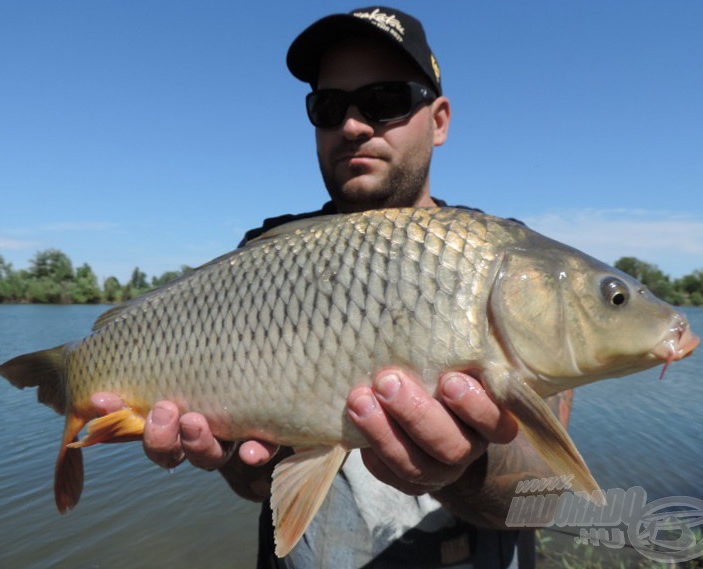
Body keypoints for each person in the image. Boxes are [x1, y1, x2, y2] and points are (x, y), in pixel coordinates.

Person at [92, 6, 573, 568]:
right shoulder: (260, 258)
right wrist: (230, 455)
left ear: (439, 120)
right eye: (328, 107)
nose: (352, 125)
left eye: (386, 101)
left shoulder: (499, 259)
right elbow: (253, 482)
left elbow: (544, 501)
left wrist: (465, 469)